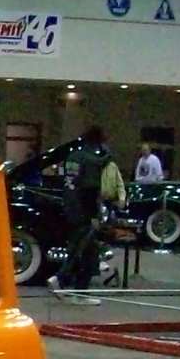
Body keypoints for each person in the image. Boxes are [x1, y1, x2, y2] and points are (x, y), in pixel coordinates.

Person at [48, 125, 112, 304]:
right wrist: (94, 216)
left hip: (70, 207)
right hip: (84, 211)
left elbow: (67, 181)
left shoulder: (73, 157)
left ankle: (68, 283)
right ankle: (65, 282)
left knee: (83, 248)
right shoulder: (91, 160)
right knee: (86, 250)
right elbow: (89, 190)